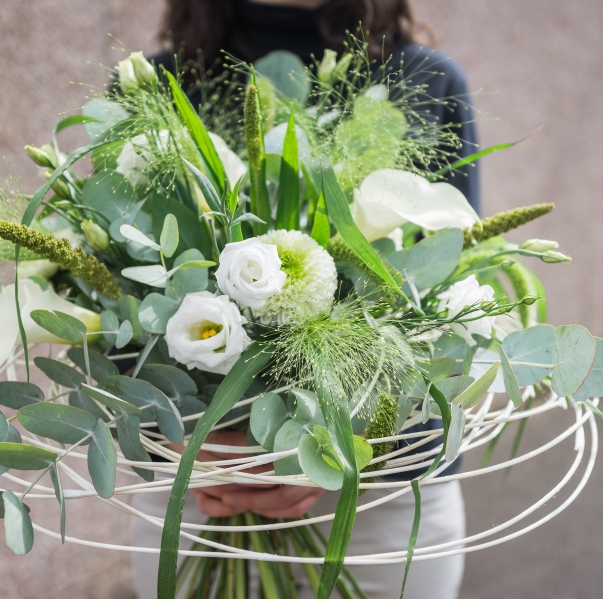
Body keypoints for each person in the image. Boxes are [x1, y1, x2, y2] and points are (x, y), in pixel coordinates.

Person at [129, 1, 480, 597]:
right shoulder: (156, 86)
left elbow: (451, 309)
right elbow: (119, 303)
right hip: (200, 490)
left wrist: (343, 450)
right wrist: (185, 447)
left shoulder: (424, 81)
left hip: (383, 498)